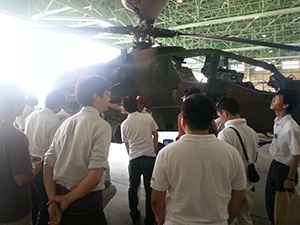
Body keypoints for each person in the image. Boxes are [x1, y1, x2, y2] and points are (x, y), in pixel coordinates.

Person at [151, 94, 247, 225]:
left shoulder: (167, 153)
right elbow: (240, 197)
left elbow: (156, 199)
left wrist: (162, 221)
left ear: (182, 120)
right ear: (212, 120)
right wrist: (226, 220)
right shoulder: (231, 153)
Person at [43, 75, 112, 225]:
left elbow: (48, 163)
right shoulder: (101, 126)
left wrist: (52, 201)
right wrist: (67, 200)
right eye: (107, 93)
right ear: (96, 97)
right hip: (84, 200)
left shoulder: (65, 123)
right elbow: (95, 177)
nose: (109, 98)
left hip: (59, 193)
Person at [0, 83, 43, 225]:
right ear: (18, 103)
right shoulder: (15, 137)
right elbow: (21, 179)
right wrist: (37, 167)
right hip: (12, 211)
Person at [25, 90, 65, 225]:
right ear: (60, 105)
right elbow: (53, 151)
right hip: (42, 164)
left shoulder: (32, 115)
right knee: (46, 201)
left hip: (29, 161)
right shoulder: (53, 121)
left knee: (34, 200)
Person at [216, 97, 258, 225]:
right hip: (249, 186)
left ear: (225, 113)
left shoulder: (225, 134)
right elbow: (255, 157)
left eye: (219, 116)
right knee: (245, 219)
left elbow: (224, 164)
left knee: (231, 219)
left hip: (232, 189)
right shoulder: (252, 132)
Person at [121, 96, 158, 225]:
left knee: (133, 187)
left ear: (125, 109)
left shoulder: (124, 124)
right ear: (137, 105)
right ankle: (150, 218)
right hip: (149, 158)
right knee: (150, 188)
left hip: (134, 159)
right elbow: (156, 134)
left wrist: (130, 154)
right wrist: (153, 149)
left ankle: (134, 215)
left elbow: (126, 144)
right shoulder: (147, 117)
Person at [265, 89, 300, 225]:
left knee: (282, 205)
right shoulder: (278, 121)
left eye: (277, 99)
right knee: (271, 200)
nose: (273, 100)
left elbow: (296, 155)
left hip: (285, 169)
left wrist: (290, 178)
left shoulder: (291, 127)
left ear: (285, 105)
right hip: (276, 164)